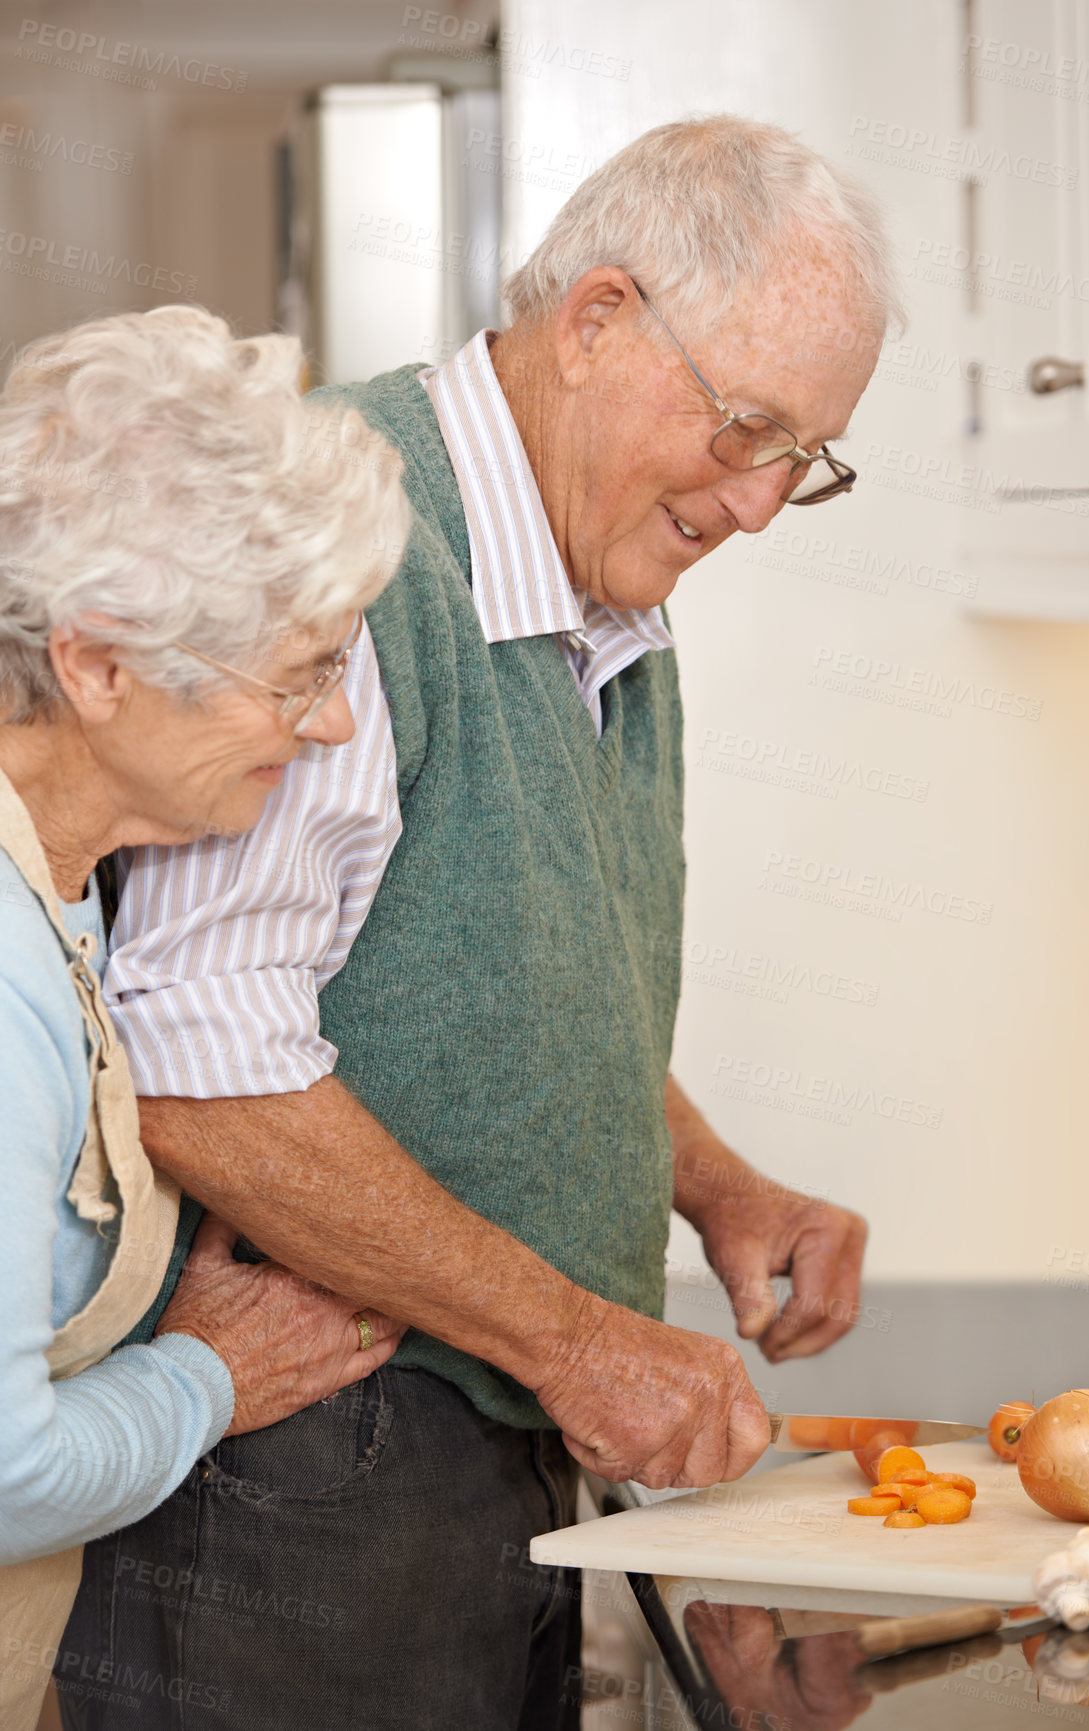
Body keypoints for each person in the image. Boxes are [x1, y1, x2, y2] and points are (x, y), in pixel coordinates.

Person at [61, 116, 899, 1730]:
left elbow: (510, 966)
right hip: (320, 1461)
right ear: (594, 322)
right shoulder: (343, 551)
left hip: (485, 1438)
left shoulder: (605, 589)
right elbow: (200, 1054)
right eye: (746, 430)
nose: (759, 504)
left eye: (806, 456)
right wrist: (579, 1343)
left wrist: (710, 1183)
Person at [0, 305, 410, 1730]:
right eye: (299, 679)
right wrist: (210, 1380)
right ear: (99, 664)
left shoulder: (68, 893)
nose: (333, 730)